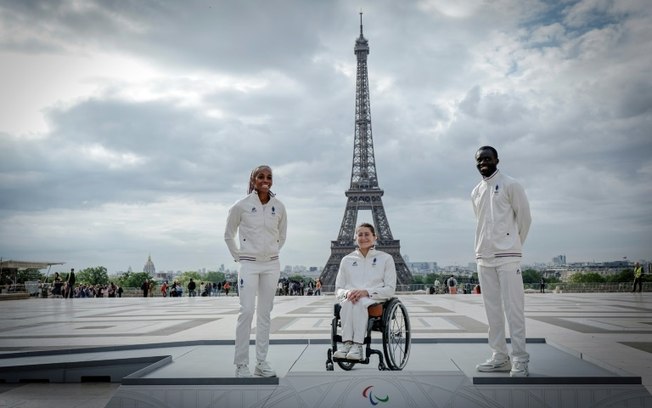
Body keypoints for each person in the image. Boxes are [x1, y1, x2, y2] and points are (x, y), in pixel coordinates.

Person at [472, 146, 531, 377]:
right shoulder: (475, 191)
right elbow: (480, 222)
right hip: (483, 258)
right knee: (492, 311)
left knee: (514, 310)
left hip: (507, 258)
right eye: (479, 159)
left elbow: (525, 217)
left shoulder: (511, 184)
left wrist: (513, 246)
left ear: (497, 160)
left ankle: (520, 359)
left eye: (487, 158)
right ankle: (500, 356)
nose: (483, 162)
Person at [224, 164, 287, 378]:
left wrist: (271, 252)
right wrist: (239, 256)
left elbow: (282, 234)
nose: (265, 180)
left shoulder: (279, 206)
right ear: (253, 180)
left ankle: (261, 362)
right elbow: (228, 234)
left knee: (265, 314)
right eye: (260, 176)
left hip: (271, 264)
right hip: (249, 264)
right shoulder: (240, 206)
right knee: (247, 311)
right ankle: (241, 364)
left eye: (269, 176)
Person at [333, 223, 397, 361]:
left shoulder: (386, 258)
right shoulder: (346, 260)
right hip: (351, 299)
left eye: (367, 234)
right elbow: (338, 288)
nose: (363, 238)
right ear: (355, 237)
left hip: (374, 298)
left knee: (359, 302)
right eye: (360, 234)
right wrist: (347, 293)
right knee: (349, 302)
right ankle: (348, 344)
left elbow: (390, 289)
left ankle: (356, 345)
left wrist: (366, 292)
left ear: (375, 237)